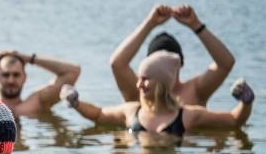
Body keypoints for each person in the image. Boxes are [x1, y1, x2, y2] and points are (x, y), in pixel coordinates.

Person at [61, 51, 254, 136]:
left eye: (145, 79)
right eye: (139, 78)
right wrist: (76, 102)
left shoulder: (187, 114)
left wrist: (246, 102)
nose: (139, 84)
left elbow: (234, 120)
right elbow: (98, 115)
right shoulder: (132, 111)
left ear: (162, 82)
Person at [110, 4, 236, 106]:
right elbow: (117, 64)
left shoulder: (195, 91)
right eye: (157, 63)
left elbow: (226, 63)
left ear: (179, 64)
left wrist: (196, 26)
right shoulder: (140, 90)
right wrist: (150, 23)